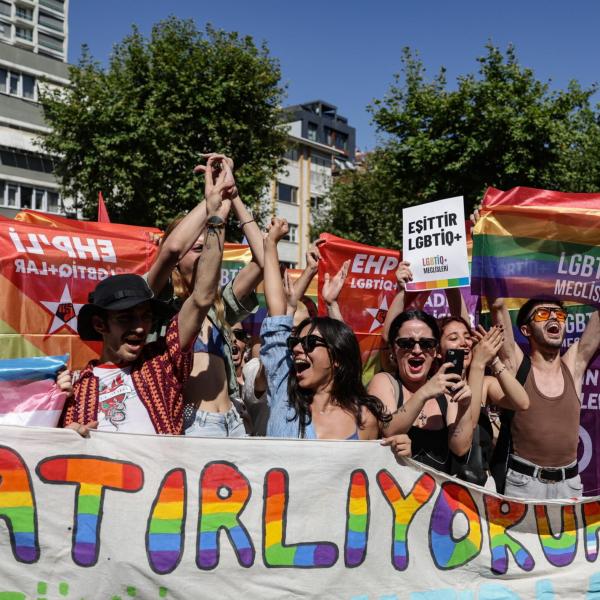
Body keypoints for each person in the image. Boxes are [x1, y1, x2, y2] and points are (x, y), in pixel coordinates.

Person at [60, 166, 229, 435]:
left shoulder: (162, 362)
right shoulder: (76, 388)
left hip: (166, 477)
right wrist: (69, 435)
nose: (140, 327)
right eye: (125, 317)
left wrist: (216, 217)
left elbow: (202, 297)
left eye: (146, 316)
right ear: (100, 324)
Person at [146, 154, 262, 438]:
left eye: (206, 243)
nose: (203, 246)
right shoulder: (156, 301)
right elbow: (172, 248)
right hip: (192, 422)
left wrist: (233, 197)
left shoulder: (219, 304)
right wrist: (211, 202)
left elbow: (262, 260)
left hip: (233, 422)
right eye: (195, 246)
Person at [259, 218, 400, 443]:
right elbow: (277, 314)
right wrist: (270, 245)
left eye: (309, 343)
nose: (296, 349)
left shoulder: (364, 418)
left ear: (337, 358)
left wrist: (400, 452)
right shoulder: (283, 393)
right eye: (295, 342)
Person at [492, 296, 600, 499]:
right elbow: (497, 305)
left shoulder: (573, 365)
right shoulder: (516, 366)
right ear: (526, 330)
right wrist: (490, 266)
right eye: (543, 314)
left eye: (559, 315)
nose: (553, 318)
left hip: (570, 487)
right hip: (524, 486)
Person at [368, 310, 473, 472]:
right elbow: (388, 429)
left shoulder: (446, 390)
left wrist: (465, 406)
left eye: (426, 344)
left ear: (436, 351)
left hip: (437, 494)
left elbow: (460, 448)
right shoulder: (384, 381)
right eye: (406, 344)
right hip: (395, 492)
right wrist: (424, 393)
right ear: (392, 350)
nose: (417, 350)